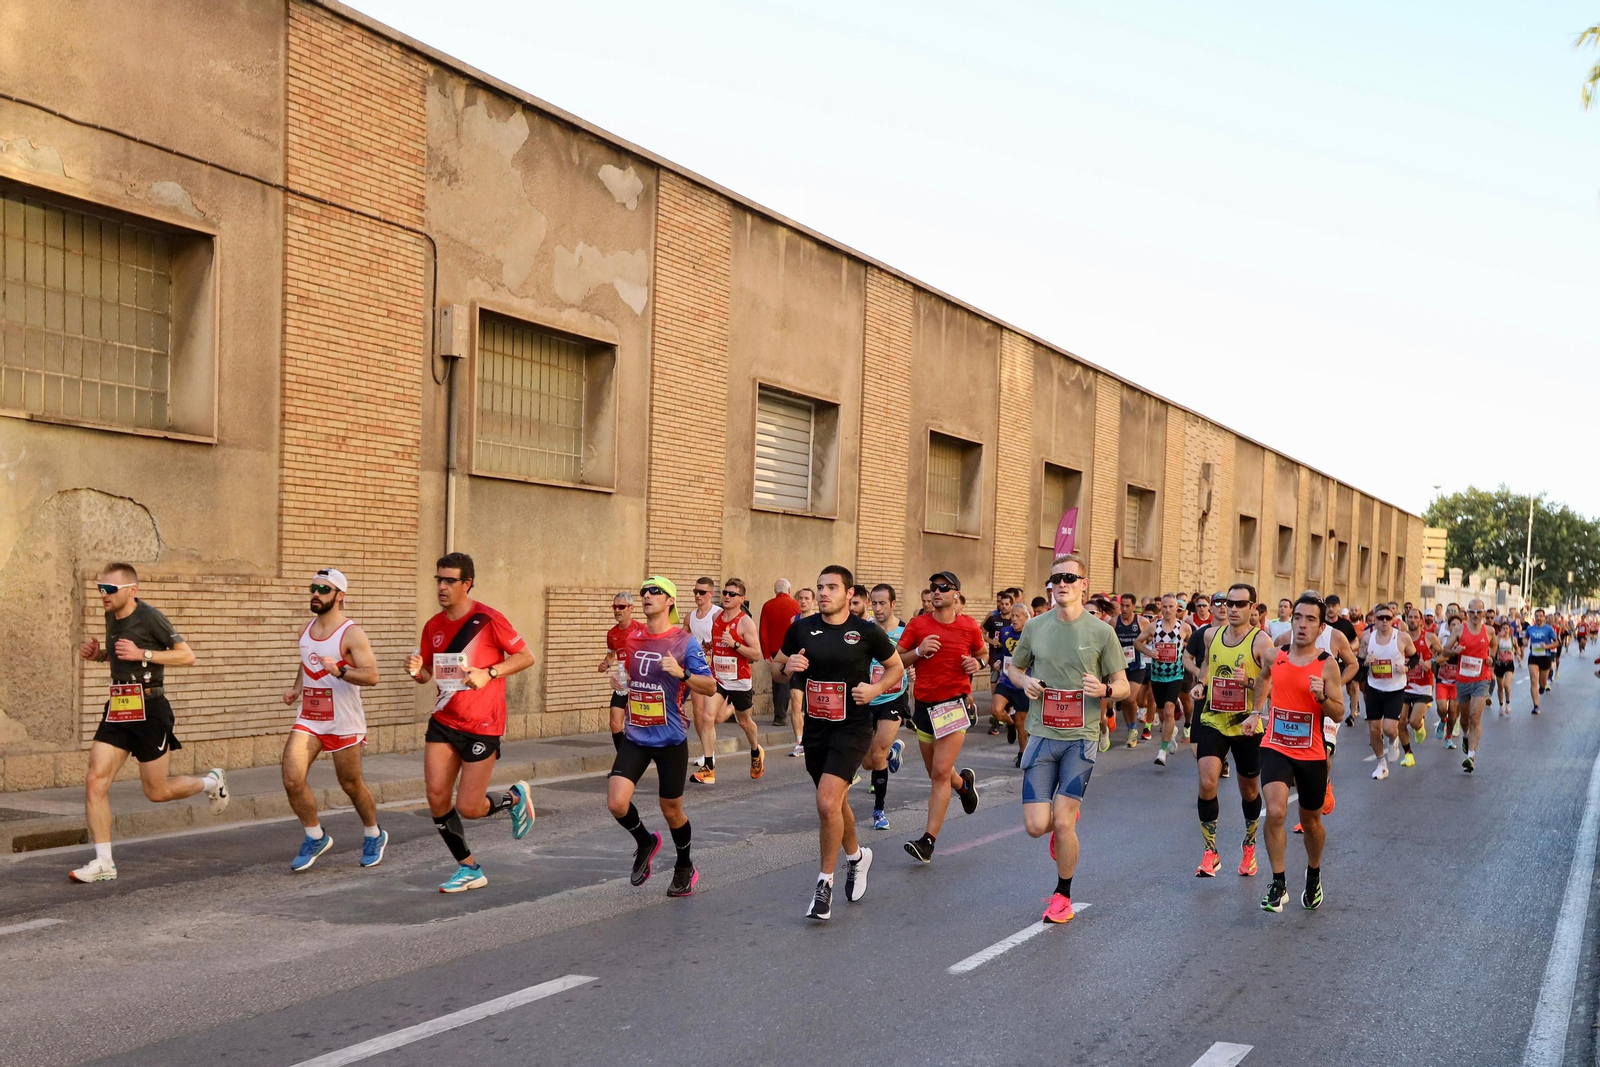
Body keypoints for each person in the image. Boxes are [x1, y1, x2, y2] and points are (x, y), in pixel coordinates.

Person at [71, 563, 228, 883]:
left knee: (156, 792)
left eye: (110, 590)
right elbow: (121, 656)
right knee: (94, 781)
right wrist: (99, 655)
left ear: (132, 590)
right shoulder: (110, 615)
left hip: (150, 707)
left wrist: (143, 652)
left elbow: (186, 656)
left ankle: (212, 783)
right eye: (101, 589)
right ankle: (104, 862)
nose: (104, 595)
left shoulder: (150, 616)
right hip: (119, 706)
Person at [774, 565, 904, 920]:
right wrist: (789, 668)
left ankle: (824, 884)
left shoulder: (866, 631)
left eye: (832, 587)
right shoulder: (802, 627)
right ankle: (858, 857)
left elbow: (897, 669)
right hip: (817, 729)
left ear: (849, 594)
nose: (823, 593)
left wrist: (876, 689)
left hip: (853, 728)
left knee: (826, 800)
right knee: (834, 803)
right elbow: (775, 667)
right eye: (820, 587)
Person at [1005, 553, 1129, 923]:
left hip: (1081, 738)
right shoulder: (1035, 627)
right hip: (1041, 736)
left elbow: (1123, 686)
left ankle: (1063, 896)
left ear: (1083, 584)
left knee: (1063, 820)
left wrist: (1105, 688)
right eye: (1057, 578)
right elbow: (1014, 668)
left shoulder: (1101, 632)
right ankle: (1060, 830)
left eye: (1070, 579)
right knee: (1035, 826)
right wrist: (1024, 681)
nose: (1063, 584)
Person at [406, 552, 537, 892]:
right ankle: (469, 868)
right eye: (439, 579)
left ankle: (513, 798)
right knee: (436, 797)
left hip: (483, 725)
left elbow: (526, 657)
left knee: (469, 807)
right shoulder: (433, 626)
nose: (442, 586)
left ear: (467, 583)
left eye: (450, 580)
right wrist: (416, 671)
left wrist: (490, 672)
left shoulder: (488, 619)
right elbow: (427, 674)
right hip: (444, 720)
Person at [608, 577, 714, 897]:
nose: (647, 595)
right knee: (616, 802)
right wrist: (621, 681)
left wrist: (681, 673)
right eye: (644, 591)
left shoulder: (684, 643)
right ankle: (646, 841)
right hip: (637, 735)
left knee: (671, 810)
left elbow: (709, 686)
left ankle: (684, 866)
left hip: (669, 738)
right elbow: (630, 674)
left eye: (655, 591)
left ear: (669, 601)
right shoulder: (633, 638)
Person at [281, 568, 386, 871]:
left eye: (323, 590)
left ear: (340, 596)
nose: (315, 593)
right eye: (313, 588)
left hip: (344, 720)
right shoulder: (305, 629)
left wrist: (340, 671)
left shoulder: (351, 633)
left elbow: (372, 675)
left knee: (350, 783)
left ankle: (373, 833)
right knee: (291, 777)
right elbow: (307, 662)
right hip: (310, 719)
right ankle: (315, 836)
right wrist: (297, 689)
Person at [1249, 593, 1345, 912]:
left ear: (1320, 628)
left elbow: (1340, 712)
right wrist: (1255, 712)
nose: (1302, 624)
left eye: (1310, 619)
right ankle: (1278, 884)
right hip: (1275, 746)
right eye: (1298, 618)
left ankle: (1313, 873)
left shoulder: (1326, 664)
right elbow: (1264, 679)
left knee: (1312, 822)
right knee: (1275, 812)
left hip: (1311, 753)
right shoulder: (1274, 655)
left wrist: (1321, 699)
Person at [896, 571, 985, 864]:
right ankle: (963, 785)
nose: (936, 592)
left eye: (943, 588)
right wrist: (919, 651)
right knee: (938, 772)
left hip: (953, 706)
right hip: (924, 706)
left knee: (938, 772)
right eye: (933, 588)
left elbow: (984, 653)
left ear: (955, 594)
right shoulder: (919, 624)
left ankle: (928, 842)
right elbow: (896, 658)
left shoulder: (969, 626)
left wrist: (978, 662)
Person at [1187, 583, 1275, 878]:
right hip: (1214, 717)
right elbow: (1207, 666)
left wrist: (1248, 683)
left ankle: (1249, 846)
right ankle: (1210, 851)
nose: (1232, 609)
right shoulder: (1212, 635)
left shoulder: (1261, 643)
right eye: (1229, 603)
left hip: (1247, 723)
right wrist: (1201, 684)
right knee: (1207, 780)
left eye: (1239, 604)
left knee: (1249, 790)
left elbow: (1270, 682)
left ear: (1253, 608)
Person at [689, 579, 764, 785]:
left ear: (742, 599)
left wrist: (735, 644)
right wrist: (709, 646)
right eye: (725, 593)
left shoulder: (745, 622)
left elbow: (756, 654)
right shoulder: (716, 617)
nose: (727, 597)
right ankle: (709, 768)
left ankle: (756, 751)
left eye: (732, 594)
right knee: (707, 717)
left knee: (744, 723)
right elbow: (717, 641)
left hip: (739, 681)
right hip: (718, 678)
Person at [861, 584, 911, 829]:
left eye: (883, 603)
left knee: (877, 754)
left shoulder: (905, 632)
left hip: (893, 698)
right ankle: (893, 752)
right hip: (867, 698)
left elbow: (913, 657)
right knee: (867, 762)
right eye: (874, 603)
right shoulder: (864, 631)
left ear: (893, 604)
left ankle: (879, 811)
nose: (878, 608)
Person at [1358, 604, 1415, 780]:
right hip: (1374, 688)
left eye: (1387, 618)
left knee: (1389, 728)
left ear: (1394, 619)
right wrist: (1365, 663)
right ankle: (1381, 764)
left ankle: (1393, 740)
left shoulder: (1403, 637)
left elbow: (1415, 657)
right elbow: (1359, 665)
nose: (1384, 621)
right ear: (1374, 619)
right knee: (1375, 730)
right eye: (1380, 618)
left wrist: (1406, 667)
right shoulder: (1367, 639)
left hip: (1395, 689)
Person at [1442, 598, 1493, 773]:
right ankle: (1465, 735)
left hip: (1482, 678)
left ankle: (1470, 756)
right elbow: (1444, 650)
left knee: (1474, 717)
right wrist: (1453, 651)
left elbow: (1493, 646)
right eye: (1472, 612)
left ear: (1483, 613)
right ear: (1467, 613)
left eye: (1479, 612)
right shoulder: (1459, 629)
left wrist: (1491, 657)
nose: (1475, 615)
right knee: (1464, 719)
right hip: (1463, 679)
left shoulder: (1490, 631)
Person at [684, 578, 721, 783]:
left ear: (710, 593)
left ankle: (735, 704)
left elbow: (725, 638)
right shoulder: (690, 616)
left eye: (702, 592)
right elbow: (684, 638)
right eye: (695, 591)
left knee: (716, 716)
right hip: (697, 670)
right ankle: (709, 755)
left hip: (715, 670)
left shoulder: (717, 614)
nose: (698, 595)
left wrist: (712, 646)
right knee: (699, 714)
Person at [1147, 594, 1191, 766]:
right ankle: (1170, 732)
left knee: (1168, 710)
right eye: (1164, 607)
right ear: (1161, 608)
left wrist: (1184, 653)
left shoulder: (1185, 628)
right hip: (1157, 675)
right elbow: (1137, 642)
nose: (1167, 610)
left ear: (1177, 608)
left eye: (1171, 607)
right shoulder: (1153, 627)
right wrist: (1148, 651)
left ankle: (1162, 752)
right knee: (1161, 711)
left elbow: (1191, 647)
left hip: (1176, 675)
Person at [990, 599, 1033, 766]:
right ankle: (1009, 723)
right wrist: (998, 661)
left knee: (1022, 724)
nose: (1014, 619)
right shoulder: (1005, 631)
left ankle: (1023, 754)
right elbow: (1001, 652)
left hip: (1023, 682)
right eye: (1013, 616)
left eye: (1018, 616)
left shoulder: (1031, 634)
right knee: (996, 710)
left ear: (1026, 618)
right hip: (1006, 679)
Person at [602, 591, 645, 751]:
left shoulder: (642, 630)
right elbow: (610, 656)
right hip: (622, 684)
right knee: (614, 723)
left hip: (640, 683)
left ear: (631, 608)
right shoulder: (612, 633)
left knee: (638, 725)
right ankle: (623, 761)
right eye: (615, 606)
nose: (617, 610)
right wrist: (605, 665)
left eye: (621, 607)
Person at [1399, 607, 1440, 767]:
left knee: (1414, 722)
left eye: (1416, 617)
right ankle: (1408, 755)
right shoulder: (1401, 638)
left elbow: (1443, 655)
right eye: (1410, 617)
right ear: (1406, 619)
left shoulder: (1429, 637)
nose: (1413, 620)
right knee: (1400, 722)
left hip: (1423, 686)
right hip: (1403, 685)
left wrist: (1432, 662)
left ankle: (1420, 727)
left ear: (1421, 621)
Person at [760, 579, 801, 727]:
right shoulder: (796, 605)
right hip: (794, 649)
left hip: (775, 650)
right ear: (789, 590)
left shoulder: (768, 605)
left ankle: (780, 716)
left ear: (775, 591)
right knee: (796, 681)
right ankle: (798, 711)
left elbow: (763, 631)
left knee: (779, 683)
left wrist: (766, 654)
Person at [1113, 593, 1152, 748]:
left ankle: (1133, 728)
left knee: (1129, 699)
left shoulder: (1142, 622)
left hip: (1137, 666)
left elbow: (1150, 639)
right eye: (1122, 605)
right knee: (1124, 700)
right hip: (1120, 667)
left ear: (1134, 607)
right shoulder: (1113, 622)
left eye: (1127, 606)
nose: (1124, 609)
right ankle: (1130, 728)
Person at [1524, 608, 1557, 714]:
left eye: (1540, 616)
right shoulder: (1530, 628)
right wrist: (1525, 641)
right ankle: (1536, 706)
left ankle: (1542, 686)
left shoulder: (1549, 629)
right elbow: (1525, 639)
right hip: (1533, 656)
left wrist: (1547, 646)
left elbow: (1557, 643)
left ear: (1544, 617)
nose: (1538, 618)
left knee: (1542, 681)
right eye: (1536, 616)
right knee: (1533, 680)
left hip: (1545, 657)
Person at [1492, 620, 1517, 712]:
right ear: (1500, 629)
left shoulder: (1513, 639)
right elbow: (1493, 647)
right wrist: (1498, 637)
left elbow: (1517, 648)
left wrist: (1516, 653)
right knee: (1500, 686)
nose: (1506, 630)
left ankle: (1508, 702)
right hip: (1499, 664)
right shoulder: (1498, 639)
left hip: (1509, 664)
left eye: (1507, 629)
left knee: (1506, 684)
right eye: (1504, 629)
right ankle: (1501, 705)